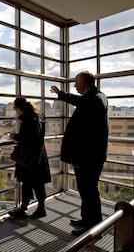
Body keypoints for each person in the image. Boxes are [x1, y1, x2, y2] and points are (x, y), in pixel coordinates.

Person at [51, 71, 109, 236]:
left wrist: (77, 158)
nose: (75, 85)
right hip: (92, 156)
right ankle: (87, 219)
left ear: (84, 83)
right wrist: (62, 95)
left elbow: (86, 135)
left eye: (76, 82)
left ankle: (93, 226)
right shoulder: (97, 96)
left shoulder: (93, 99)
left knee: (89, 191)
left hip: (87, 158)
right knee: (87, 190)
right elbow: (80, 101)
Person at [8, 97, 51, 219]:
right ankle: (35, 208)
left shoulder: (28, 121)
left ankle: (25, 209)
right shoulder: (36, 119)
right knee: (36, 184)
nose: (15, 110)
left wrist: (14, 136)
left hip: (29, 158)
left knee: (28, 183)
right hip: (36, 157)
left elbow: (27, 139)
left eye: (15, 108)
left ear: (19, 108)